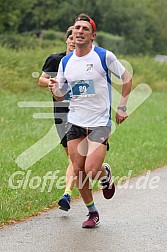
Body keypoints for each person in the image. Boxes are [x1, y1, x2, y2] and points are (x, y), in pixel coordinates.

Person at [49, 13, 132, 228]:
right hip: (75, 120)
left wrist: (122, 106)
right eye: (77, 28)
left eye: (85, 29)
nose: (79, 31)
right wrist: (55, 89)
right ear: (72, 33)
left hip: (99, 121)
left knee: (92, 170)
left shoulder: (104, 56)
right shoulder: (66, 62)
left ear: (92, 35)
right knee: (79, 170)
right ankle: (92, 212)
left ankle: (105, 173)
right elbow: (60, 92)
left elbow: (127, 78)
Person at [38, 26, 76, 211]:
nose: (74, 41)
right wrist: (50, 82)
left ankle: (66, 194)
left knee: (75, 159)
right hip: (61, 112)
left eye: (77, 38)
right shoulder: (55, 59)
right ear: (67, 40)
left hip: (81, 113)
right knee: (73, 157)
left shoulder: (85, 63)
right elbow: (41, 80)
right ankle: (101, 171)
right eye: (71, 38)